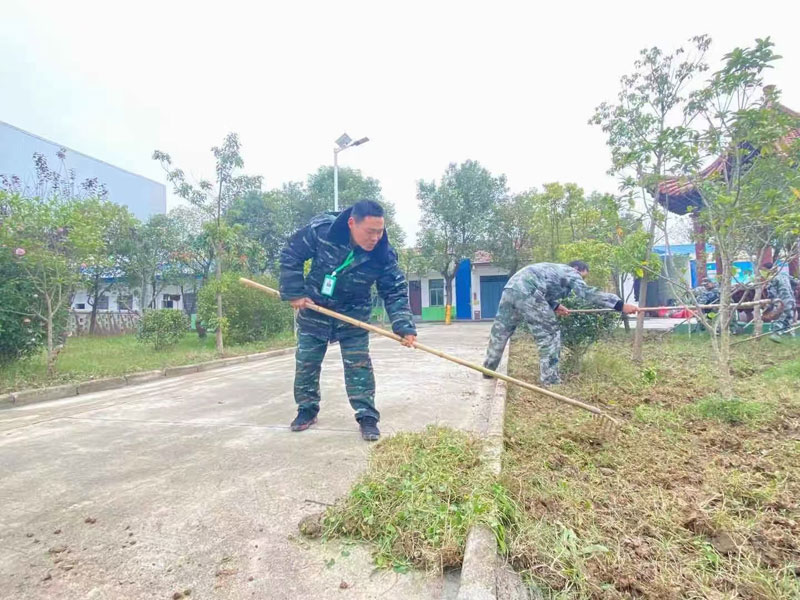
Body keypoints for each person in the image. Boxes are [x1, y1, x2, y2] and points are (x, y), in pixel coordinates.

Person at [279, 200, 417, 441]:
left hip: (354, 315)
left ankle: (367, 416)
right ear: (352, 223)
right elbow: (291, 253)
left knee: (358, 366)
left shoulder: (383, 253)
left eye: (380, 231)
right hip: (315, 309)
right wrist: (294, 292)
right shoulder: (322, 231)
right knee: (306, 363)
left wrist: (403, 325)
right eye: (370, 231)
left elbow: (394, 289)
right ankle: (306, 410)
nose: (375, 237)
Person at [483, 261, 637, 386]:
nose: (582, 280)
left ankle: (489, 369)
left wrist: (555, 306)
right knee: (550, 335)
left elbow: (544, 289)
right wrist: (620, 305)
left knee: (501, 331)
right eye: (583, 276)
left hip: (511, 289)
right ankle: (550, 380)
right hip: (528, 290)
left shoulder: (553, 270)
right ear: (577, 269)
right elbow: (587, 293)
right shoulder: (571, 272)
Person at [761, 262, 796, 342]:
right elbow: (795, 282)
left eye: (764, 270)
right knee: (788, 317)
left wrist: (770, 304)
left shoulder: (772, 278)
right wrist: (791, 290)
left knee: (780, 317)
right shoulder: (784, 275)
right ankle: (790, 337)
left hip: (781, 301)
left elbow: (771, 293)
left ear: (767, 270)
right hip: (791, 299)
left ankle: (775, 334)